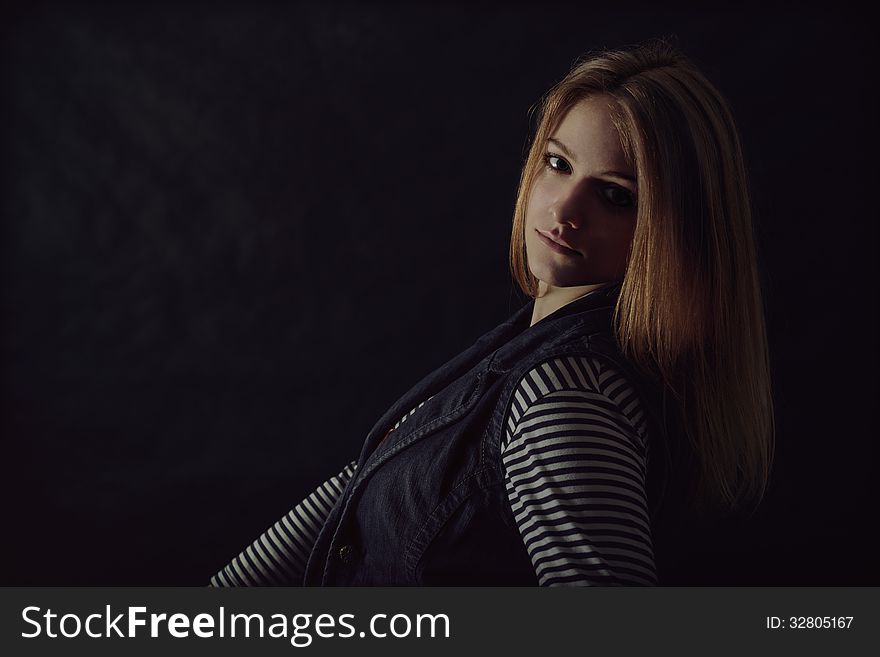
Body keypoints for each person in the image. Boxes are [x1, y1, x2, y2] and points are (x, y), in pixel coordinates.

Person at [209, 39, 774, 587]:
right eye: (558, 163)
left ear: (677, 231)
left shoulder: (564, 394)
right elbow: (361, 492)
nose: (564, 208)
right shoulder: (528, 349)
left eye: (617, 196)